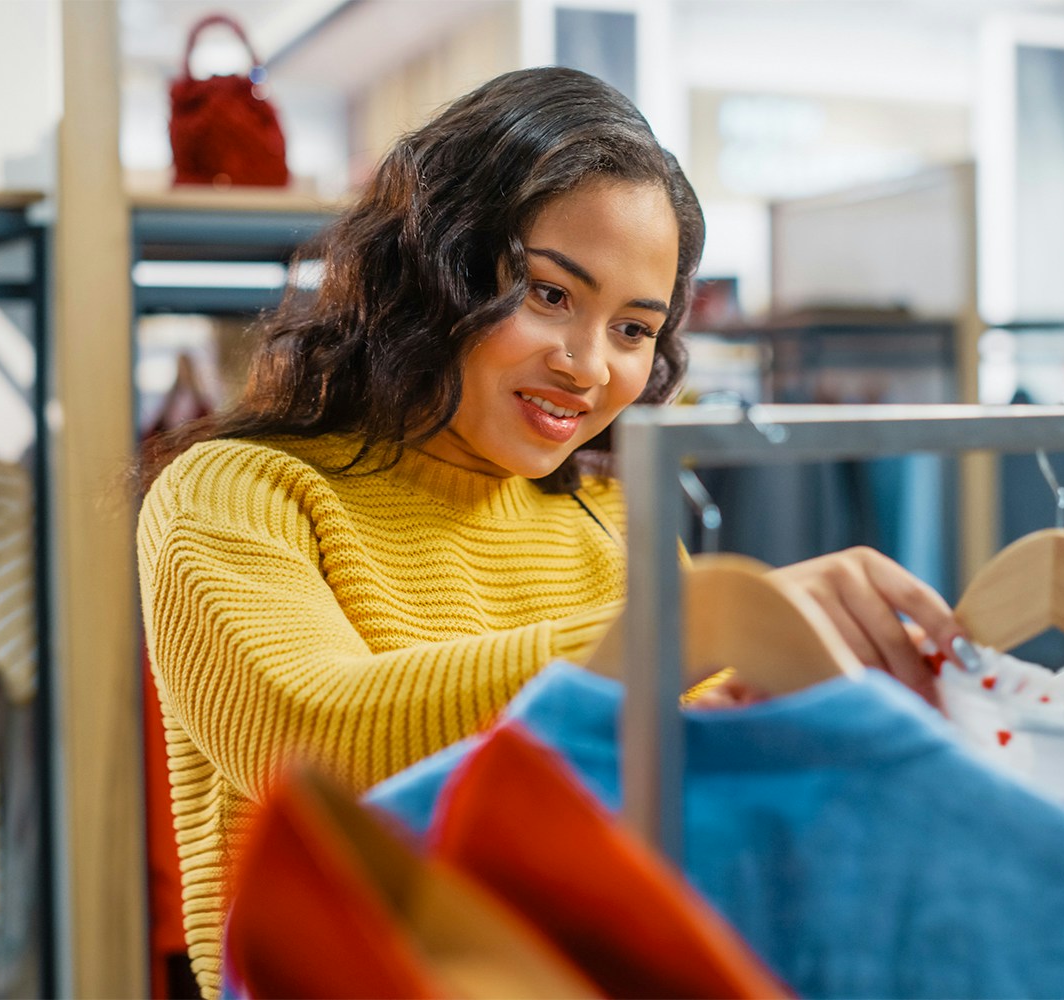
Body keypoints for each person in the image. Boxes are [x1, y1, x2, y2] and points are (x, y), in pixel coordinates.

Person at [135, 66, 960, 996]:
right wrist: (692, 625)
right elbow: (312, 738)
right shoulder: (234, 491)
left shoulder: (610, 519)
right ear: (435, 264)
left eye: (634, 328)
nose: (587, 366)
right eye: (551, 295)